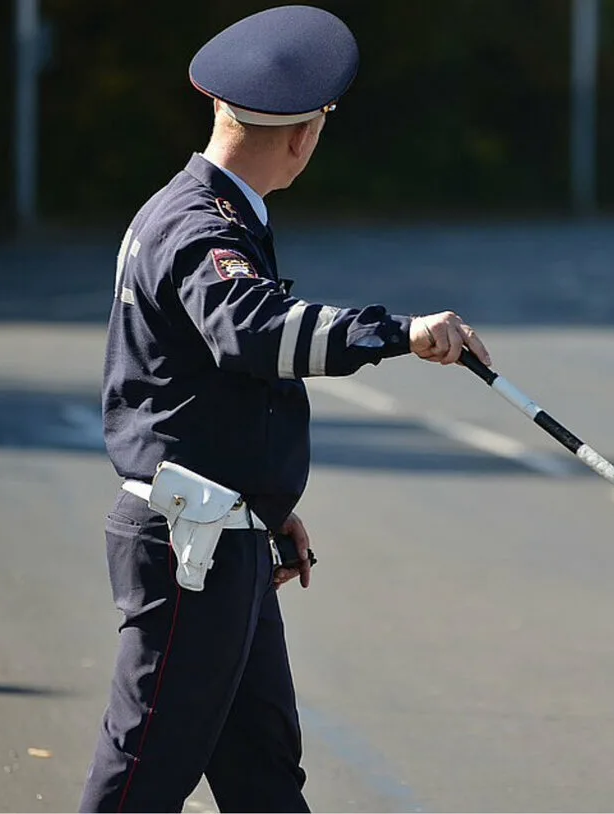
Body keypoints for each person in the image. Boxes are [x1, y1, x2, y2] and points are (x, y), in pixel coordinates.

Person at [79, 6, 490, 812]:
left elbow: (210, 384)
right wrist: (402, 334)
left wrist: (264, 506)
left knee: (263, 772)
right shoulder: (202, 227)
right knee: (141, 776)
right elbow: (255, 335)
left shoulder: (208, 213)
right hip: (189, 544)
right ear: (304, 135)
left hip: (223, 533)